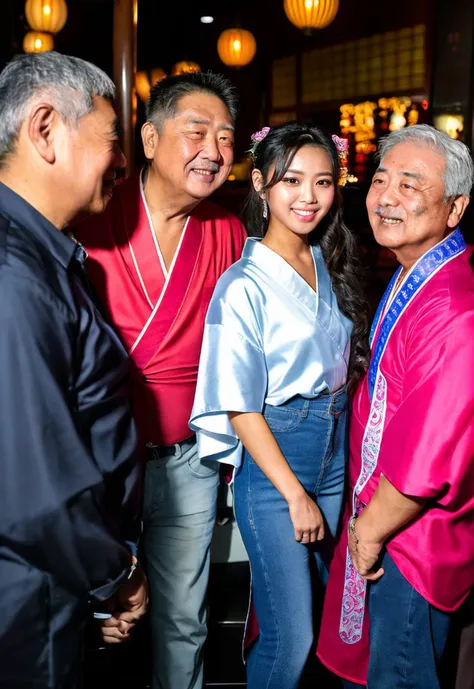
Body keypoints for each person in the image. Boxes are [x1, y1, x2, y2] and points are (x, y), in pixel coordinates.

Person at [75, 71, 247, 689]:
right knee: (95, 615)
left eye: (225, 139)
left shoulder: (226, 231)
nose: (213, 151)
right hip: (98, 463)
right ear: (148, 139)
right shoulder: (95, 211)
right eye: (196, 132)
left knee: (184, 618)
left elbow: (241, 349)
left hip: (188, 459)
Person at [190, 122, 369, 689]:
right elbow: (240, 407)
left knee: (314, 619)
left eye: (322, 181)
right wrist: (294, 495)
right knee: (292, 639)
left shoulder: (328, 261)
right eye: (291, 180)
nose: (309, 197)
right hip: (278, 459)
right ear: (262, 183)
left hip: (335, 450)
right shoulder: (242, 284)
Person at [0, 52, 146, 689]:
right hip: (29, 591)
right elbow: (33, 487)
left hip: (59, 576)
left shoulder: (40, 253)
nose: (119, 160)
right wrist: (116, 577)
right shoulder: (14, 276)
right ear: (44, 129)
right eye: (111, 139)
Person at [317, 124, 474, 689]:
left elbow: (427, 458)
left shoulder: (454, 306)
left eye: (410, 185)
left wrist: (368, 533)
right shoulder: (415, 273)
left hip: (412, 541)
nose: (384, 197)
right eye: (381, 180)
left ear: (454, 208)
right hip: (391, 522)